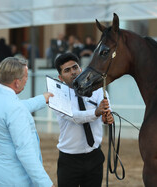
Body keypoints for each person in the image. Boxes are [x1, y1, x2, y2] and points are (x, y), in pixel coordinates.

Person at [0, 57, 54, 187]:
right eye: (25, 76)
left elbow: (16, 107)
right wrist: (46, 184)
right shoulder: (14, 108)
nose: (26, 80)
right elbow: (26, 153)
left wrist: (43, 99)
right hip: (16, 179)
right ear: (16, 82)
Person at [54, 52, 114, 187]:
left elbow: (105, 108)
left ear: (81, 69)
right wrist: (97, 112)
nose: (73, 72)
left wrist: (106, 116)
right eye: (67, 70)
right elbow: (74, 117)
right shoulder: (57, 96)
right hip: (69, 160)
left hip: (95, 156)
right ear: (61, 77)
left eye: (75, 67)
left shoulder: (98, 89)